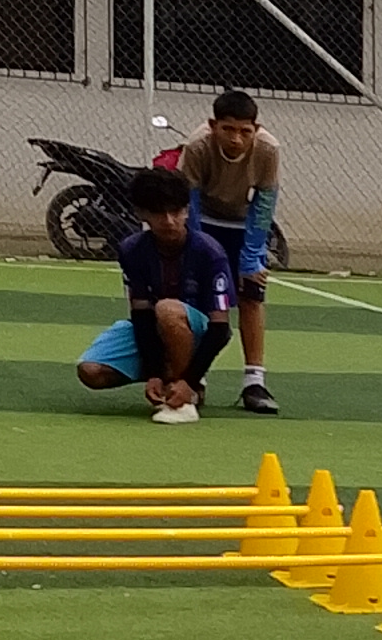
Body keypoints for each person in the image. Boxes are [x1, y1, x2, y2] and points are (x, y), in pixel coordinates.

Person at [75, 165, 236, 420]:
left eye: (176, 212)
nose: (169, 221)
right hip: (157, 326)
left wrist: (189, 380)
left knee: (167, 309)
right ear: (141, 214)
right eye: (159, 213)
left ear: (187, 210)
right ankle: (166, 378)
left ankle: (185, 396)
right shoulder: (132, 250)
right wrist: (153, 373)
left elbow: (221, 330)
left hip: (198, 330)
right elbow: (140, 315)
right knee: (91, 371)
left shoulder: (209, 252)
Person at [175, 87, 284, 418]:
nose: (236, 139)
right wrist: (196, 249)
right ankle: (196, 377)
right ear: (213, 126)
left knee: (252, 293)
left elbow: (265, 202)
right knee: (197, 294)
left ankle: (254, 381)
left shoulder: (268, 149)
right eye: (228, 129)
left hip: (243, 220)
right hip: (203, 219)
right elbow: (189, 201)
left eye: (245, 131)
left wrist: (251, 256)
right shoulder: (196, 147)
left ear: (256, 129)